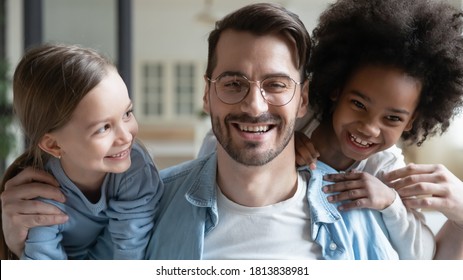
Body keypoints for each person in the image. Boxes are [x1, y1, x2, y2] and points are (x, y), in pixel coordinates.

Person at [2, 3, 403, 260]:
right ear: (207, 94)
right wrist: (11, 248)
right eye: (232, 83)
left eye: (276, 85)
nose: (254, 104)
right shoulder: (149, 208)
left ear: (303, 99)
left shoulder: (356, 211)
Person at [293, 0, 463, 259]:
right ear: (336, 89)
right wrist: (281, 143)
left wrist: (391, 203)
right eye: (359, 104)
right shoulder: (298, 117)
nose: (370, 128)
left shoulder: (388, 167)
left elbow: (423, 257)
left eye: (393, 118)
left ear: (411, 121)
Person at [0, 44, 163, 259]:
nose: (126, 136)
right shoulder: (40, 195)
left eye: (127, 113)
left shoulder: (135, 167)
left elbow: (131, 250)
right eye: (103, 127)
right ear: (53, 145)